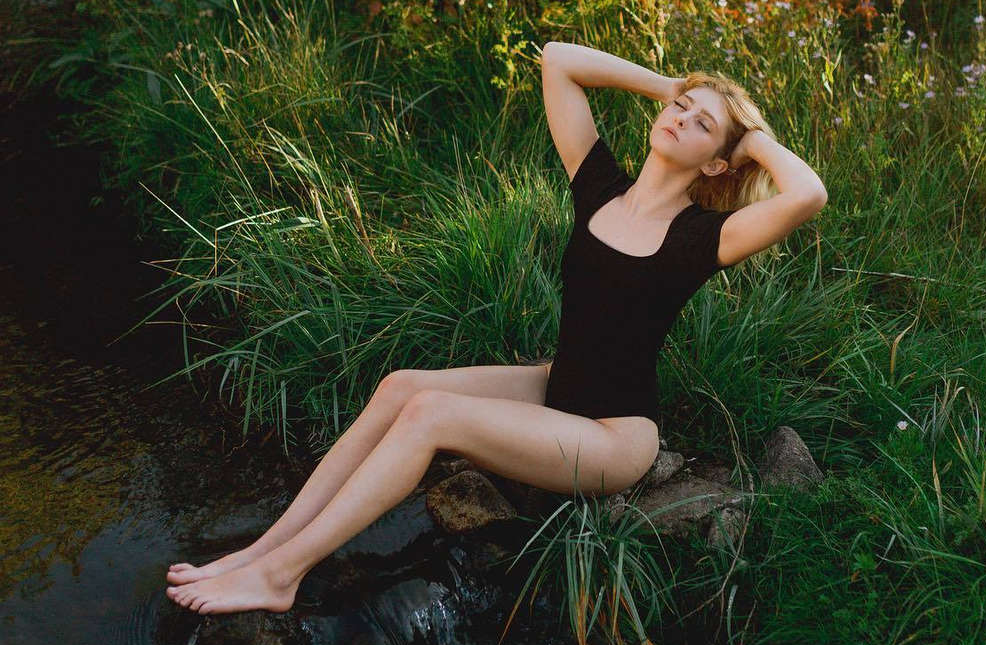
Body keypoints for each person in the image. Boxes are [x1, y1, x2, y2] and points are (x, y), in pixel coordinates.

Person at [165, 40, 827, 614]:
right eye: (679, 109)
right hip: (555, 387)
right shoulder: (600, 186)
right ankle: (262, 550)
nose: (680, 118)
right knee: (399, 386)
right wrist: (676, 86)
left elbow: (808, 195)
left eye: (702, 123)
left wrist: (754, 139)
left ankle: (280, 579)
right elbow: (560, 62)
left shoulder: (701, 237)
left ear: (717, 162)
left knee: (428, 415)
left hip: (613, 438)